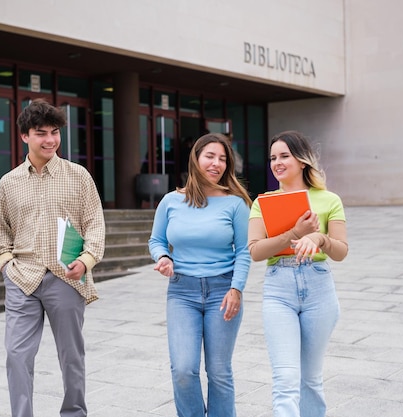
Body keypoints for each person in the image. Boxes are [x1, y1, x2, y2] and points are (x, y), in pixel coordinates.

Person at [0, 99, 105, 417]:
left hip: (67, 275)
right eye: (41, 133)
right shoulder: (8, 183)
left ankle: (74, 413)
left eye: (55, 132)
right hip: (21, 277)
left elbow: (95, 224)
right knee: (16, 355)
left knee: (72, 355)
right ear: (25, 136)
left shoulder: (79, 176)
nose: (50, 139)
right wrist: (6, 266)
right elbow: (0, 234)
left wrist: (86, 260)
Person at [148, 132, 252, 417]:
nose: (216, 163)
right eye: (210, 156)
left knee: (219, 371)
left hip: (223, 290)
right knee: (183, 368)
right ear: (195, 158)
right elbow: (156, 241)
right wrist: (164, 257)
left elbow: (244, 250)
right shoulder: (171, 201)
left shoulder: (235, 203)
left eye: (222, 159)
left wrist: (237, 288)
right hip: (182, 291)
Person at [247, 130, 348, 417]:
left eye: (284, 156)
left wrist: (319, 239)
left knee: (311, 381)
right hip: (279, 291)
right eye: (272, 158)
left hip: (319, 288)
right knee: (286, 379)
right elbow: (255, 251)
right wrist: (295, 233)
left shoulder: (329, 200)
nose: (277, 163)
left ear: (302, 161)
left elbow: (341, 252)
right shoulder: (262, 202)